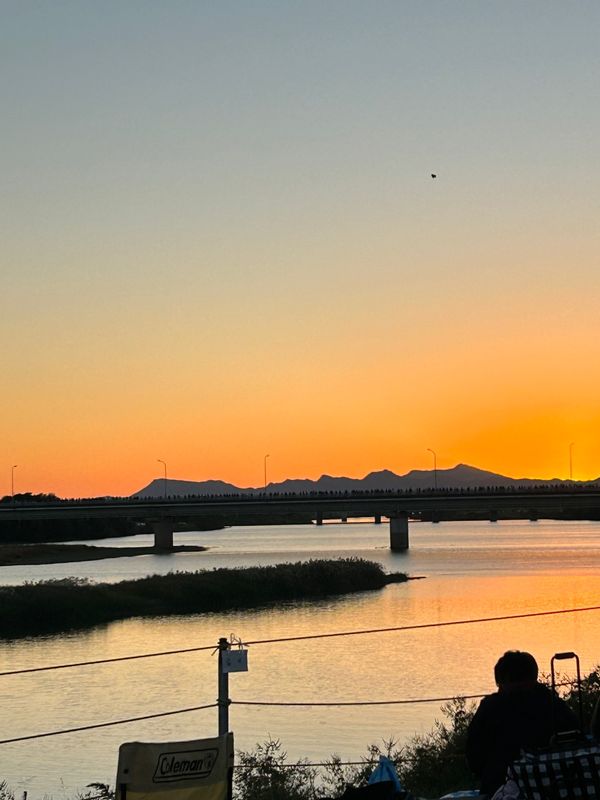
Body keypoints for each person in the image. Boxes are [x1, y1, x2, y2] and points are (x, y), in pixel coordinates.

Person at [466, 650, 578, 797]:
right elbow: (576, 738)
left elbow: (474, 756)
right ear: (534, 676)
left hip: (499, 787)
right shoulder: (553, 704)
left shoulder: (491, 707)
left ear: (502, 681)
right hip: (556, 789)